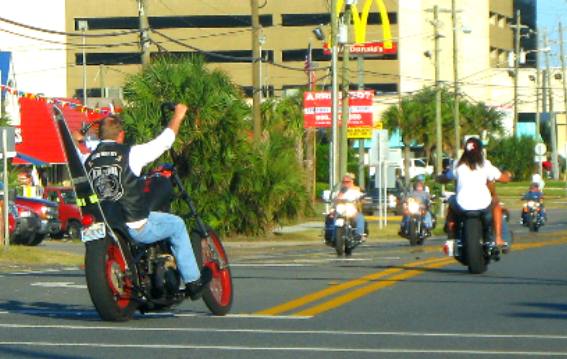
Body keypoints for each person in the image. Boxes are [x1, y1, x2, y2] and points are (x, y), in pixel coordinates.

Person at [72, 104, 211, 300]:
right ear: (121, 135)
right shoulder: (130, 154)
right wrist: (178, 115)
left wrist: (77, 139)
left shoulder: (87, 159)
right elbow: (165, 141)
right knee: (177, 225)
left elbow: (78, 147)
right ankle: (193, 282)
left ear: (101, 136)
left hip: (107, 224)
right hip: (133, 225)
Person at [439, 137, 512, 247]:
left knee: (451, 202)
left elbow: (446, 177)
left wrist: (439, 178)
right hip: (483, 204)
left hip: (462, 205)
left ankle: (451, 235)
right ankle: (498, 238)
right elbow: (503, 178)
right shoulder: (485, 164)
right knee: (496, 204)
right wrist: (508, 175)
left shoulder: (458, 165)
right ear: (481, 151)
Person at [335, 172, 366, 242]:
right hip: (341, 210)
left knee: (360, 217)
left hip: (352, 209)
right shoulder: (340, 190)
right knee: (330, 216)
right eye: (344, 182)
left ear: (352, 181)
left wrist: (361, 200)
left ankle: (359, 235)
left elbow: (362, 197)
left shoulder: (356, 189)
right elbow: (335, 199)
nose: (345, 183)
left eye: (347, 181)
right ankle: (331, 236)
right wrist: (336, 198)